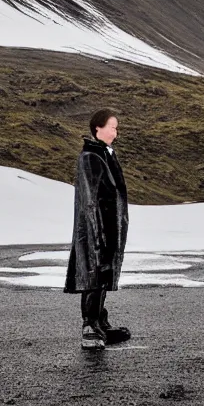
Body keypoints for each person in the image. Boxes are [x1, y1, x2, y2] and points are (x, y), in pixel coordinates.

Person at [64, 108, 131, 350]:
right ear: (98, 129)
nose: (116, 131)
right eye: (113, 126)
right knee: (93, 274)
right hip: (96, 230)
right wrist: (98, 232)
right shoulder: (91, 158)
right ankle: (90, 327)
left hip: (107, 228)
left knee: (102, 274)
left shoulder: (104, 154)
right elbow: (91, 198)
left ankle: (100, 323)